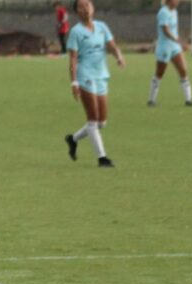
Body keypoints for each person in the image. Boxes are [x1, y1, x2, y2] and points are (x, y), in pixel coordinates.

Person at [63, 0, 124, 168]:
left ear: (93, 8)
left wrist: (118, 56)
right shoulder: (76, 32)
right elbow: (73, 59)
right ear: (77, 11)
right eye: (81, 7)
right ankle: (102, 158)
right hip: (85, 75)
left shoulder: (102, 26)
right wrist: (74, 82)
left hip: (101, 75)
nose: (85, 9)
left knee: (101, 122)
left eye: (87, 5)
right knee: (92, 119)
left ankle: (73, 139)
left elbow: (111, 45)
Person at [147, 0, 192, 107]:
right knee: (159, 74)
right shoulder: (163, 12)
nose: (178, 1)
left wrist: (179, 43)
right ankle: (151, 100)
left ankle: (188, 100)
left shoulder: (174, 12)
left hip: (175, 47)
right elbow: (166, 31)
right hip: (164, 47)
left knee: (183, 70)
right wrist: (179, 41)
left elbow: (174, 30)